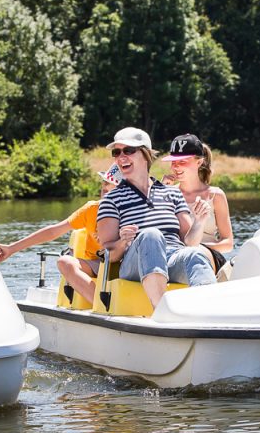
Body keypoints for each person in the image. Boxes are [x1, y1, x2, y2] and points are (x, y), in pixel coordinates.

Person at [96, 127, 216, 309]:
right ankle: (161, 311)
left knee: (196, 253)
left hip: (172, 257)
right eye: (116, 152)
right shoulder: (112, 200)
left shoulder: (172, 194)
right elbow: (108, 255)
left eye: (128, 150)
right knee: (151, 235)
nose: (121, 157)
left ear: (145, 154)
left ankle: (209, 314)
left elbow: (190, 243)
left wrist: (199, 221)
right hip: (134, 264)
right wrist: (122, 242)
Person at [0, 165, 121, 303]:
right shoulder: (91, 209)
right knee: (65, 262)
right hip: (96, 263)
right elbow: (53, 231)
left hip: (123, 264)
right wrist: (11, 248)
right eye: (104, 182)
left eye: (111, 183)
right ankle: (101, 305)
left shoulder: (134, 210)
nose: (104, 185)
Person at [162, 133, 234, 274]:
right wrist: (160, 191)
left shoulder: (216, 196)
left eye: (182, 162)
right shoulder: (166, 192)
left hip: (209, 257)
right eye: (173, 162)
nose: (176, 167)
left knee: (194, 255)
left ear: (199, 162)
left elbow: (228, 244)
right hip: (175, 257)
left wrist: (196, 247)